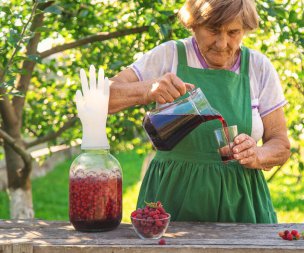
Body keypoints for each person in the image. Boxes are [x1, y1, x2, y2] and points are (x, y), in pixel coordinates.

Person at [108, 0, 290, 223]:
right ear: (194, 25)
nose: (222, 43)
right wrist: (148, 89)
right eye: (213, 31)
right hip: (172, 198)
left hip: (242, 202)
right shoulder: (170, 55)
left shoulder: (258, 67)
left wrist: (258, 155)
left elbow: (280, 144)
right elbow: (104, 98)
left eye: (233, 32)